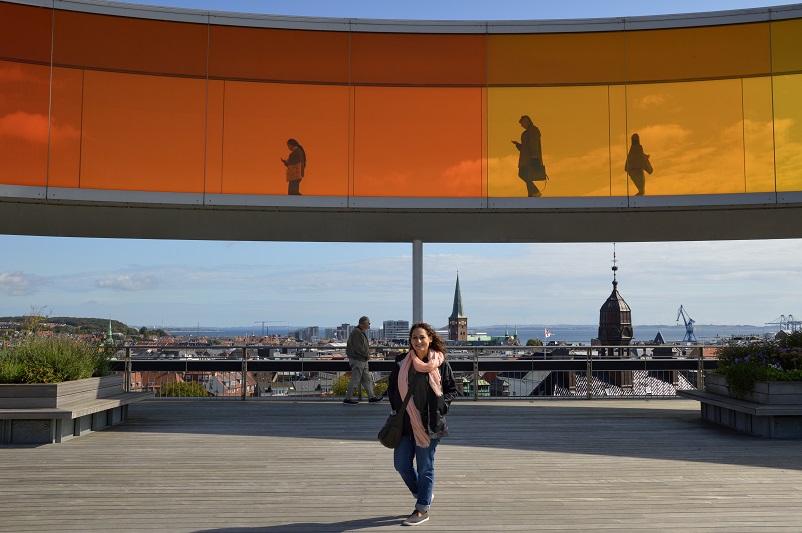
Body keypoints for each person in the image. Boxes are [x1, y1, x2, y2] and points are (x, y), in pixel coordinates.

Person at [387, 322, 458, 527]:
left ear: (430, 339)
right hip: (404, 424)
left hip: (429, 424)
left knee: (426, 467)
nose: (418, 341)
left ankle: (422, 509)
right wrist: (396, 407)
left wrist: (441, 407)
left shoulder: (440, 363)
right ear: (410, 341)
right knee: (401, 465)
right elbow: (392, 388)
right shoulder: (401, 362)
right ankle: (423, 493)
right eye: (414, 338)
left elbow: (451, 389)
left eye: (422, 337)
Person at [343, 316, 383, 405]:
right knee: (355, 380)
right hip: (358, 360)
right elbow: (358, 347)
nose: (369, 325)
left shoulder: (359, 332)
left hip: (362, 360)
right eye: (368, 323)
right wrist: (366, 355)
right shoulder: (357, 332)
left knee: (366, 380)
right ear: (364, 324)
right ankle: (347, 399)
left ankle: (371, 397)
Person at [512, 115, 545, 197]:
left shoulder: (532, 130)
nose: (521, 125)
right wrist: (517, 145)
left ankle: (534, 192)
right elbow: (525, 147)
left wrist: (534, 156)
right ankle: (532, 193)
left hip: (529, 159)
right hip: (527, 158)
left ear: (526, 121)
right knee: (526, 175)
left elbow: (533, 143)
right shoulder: (528, 132)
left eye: (522, 123)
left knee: (523, 174)